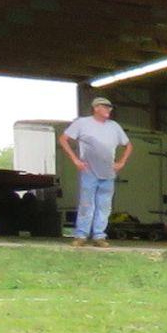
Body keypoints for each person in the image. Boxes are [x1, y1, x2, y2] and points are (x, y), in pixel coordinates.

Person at [59, 96, 132, 246]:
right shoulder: (82, 123)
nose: (109, 110)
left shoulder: (114, 126)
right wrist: (75, 159)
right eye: (106, 107)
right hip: (89, 170)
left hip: (108, 172)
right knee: (87, 203)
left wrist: (122, 162)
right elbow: (63, 139)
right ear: (96, 108)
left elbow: (128, 145)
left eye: (110, 107)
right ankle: (81, 235)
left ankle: (99, 236)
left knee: (104, 205)